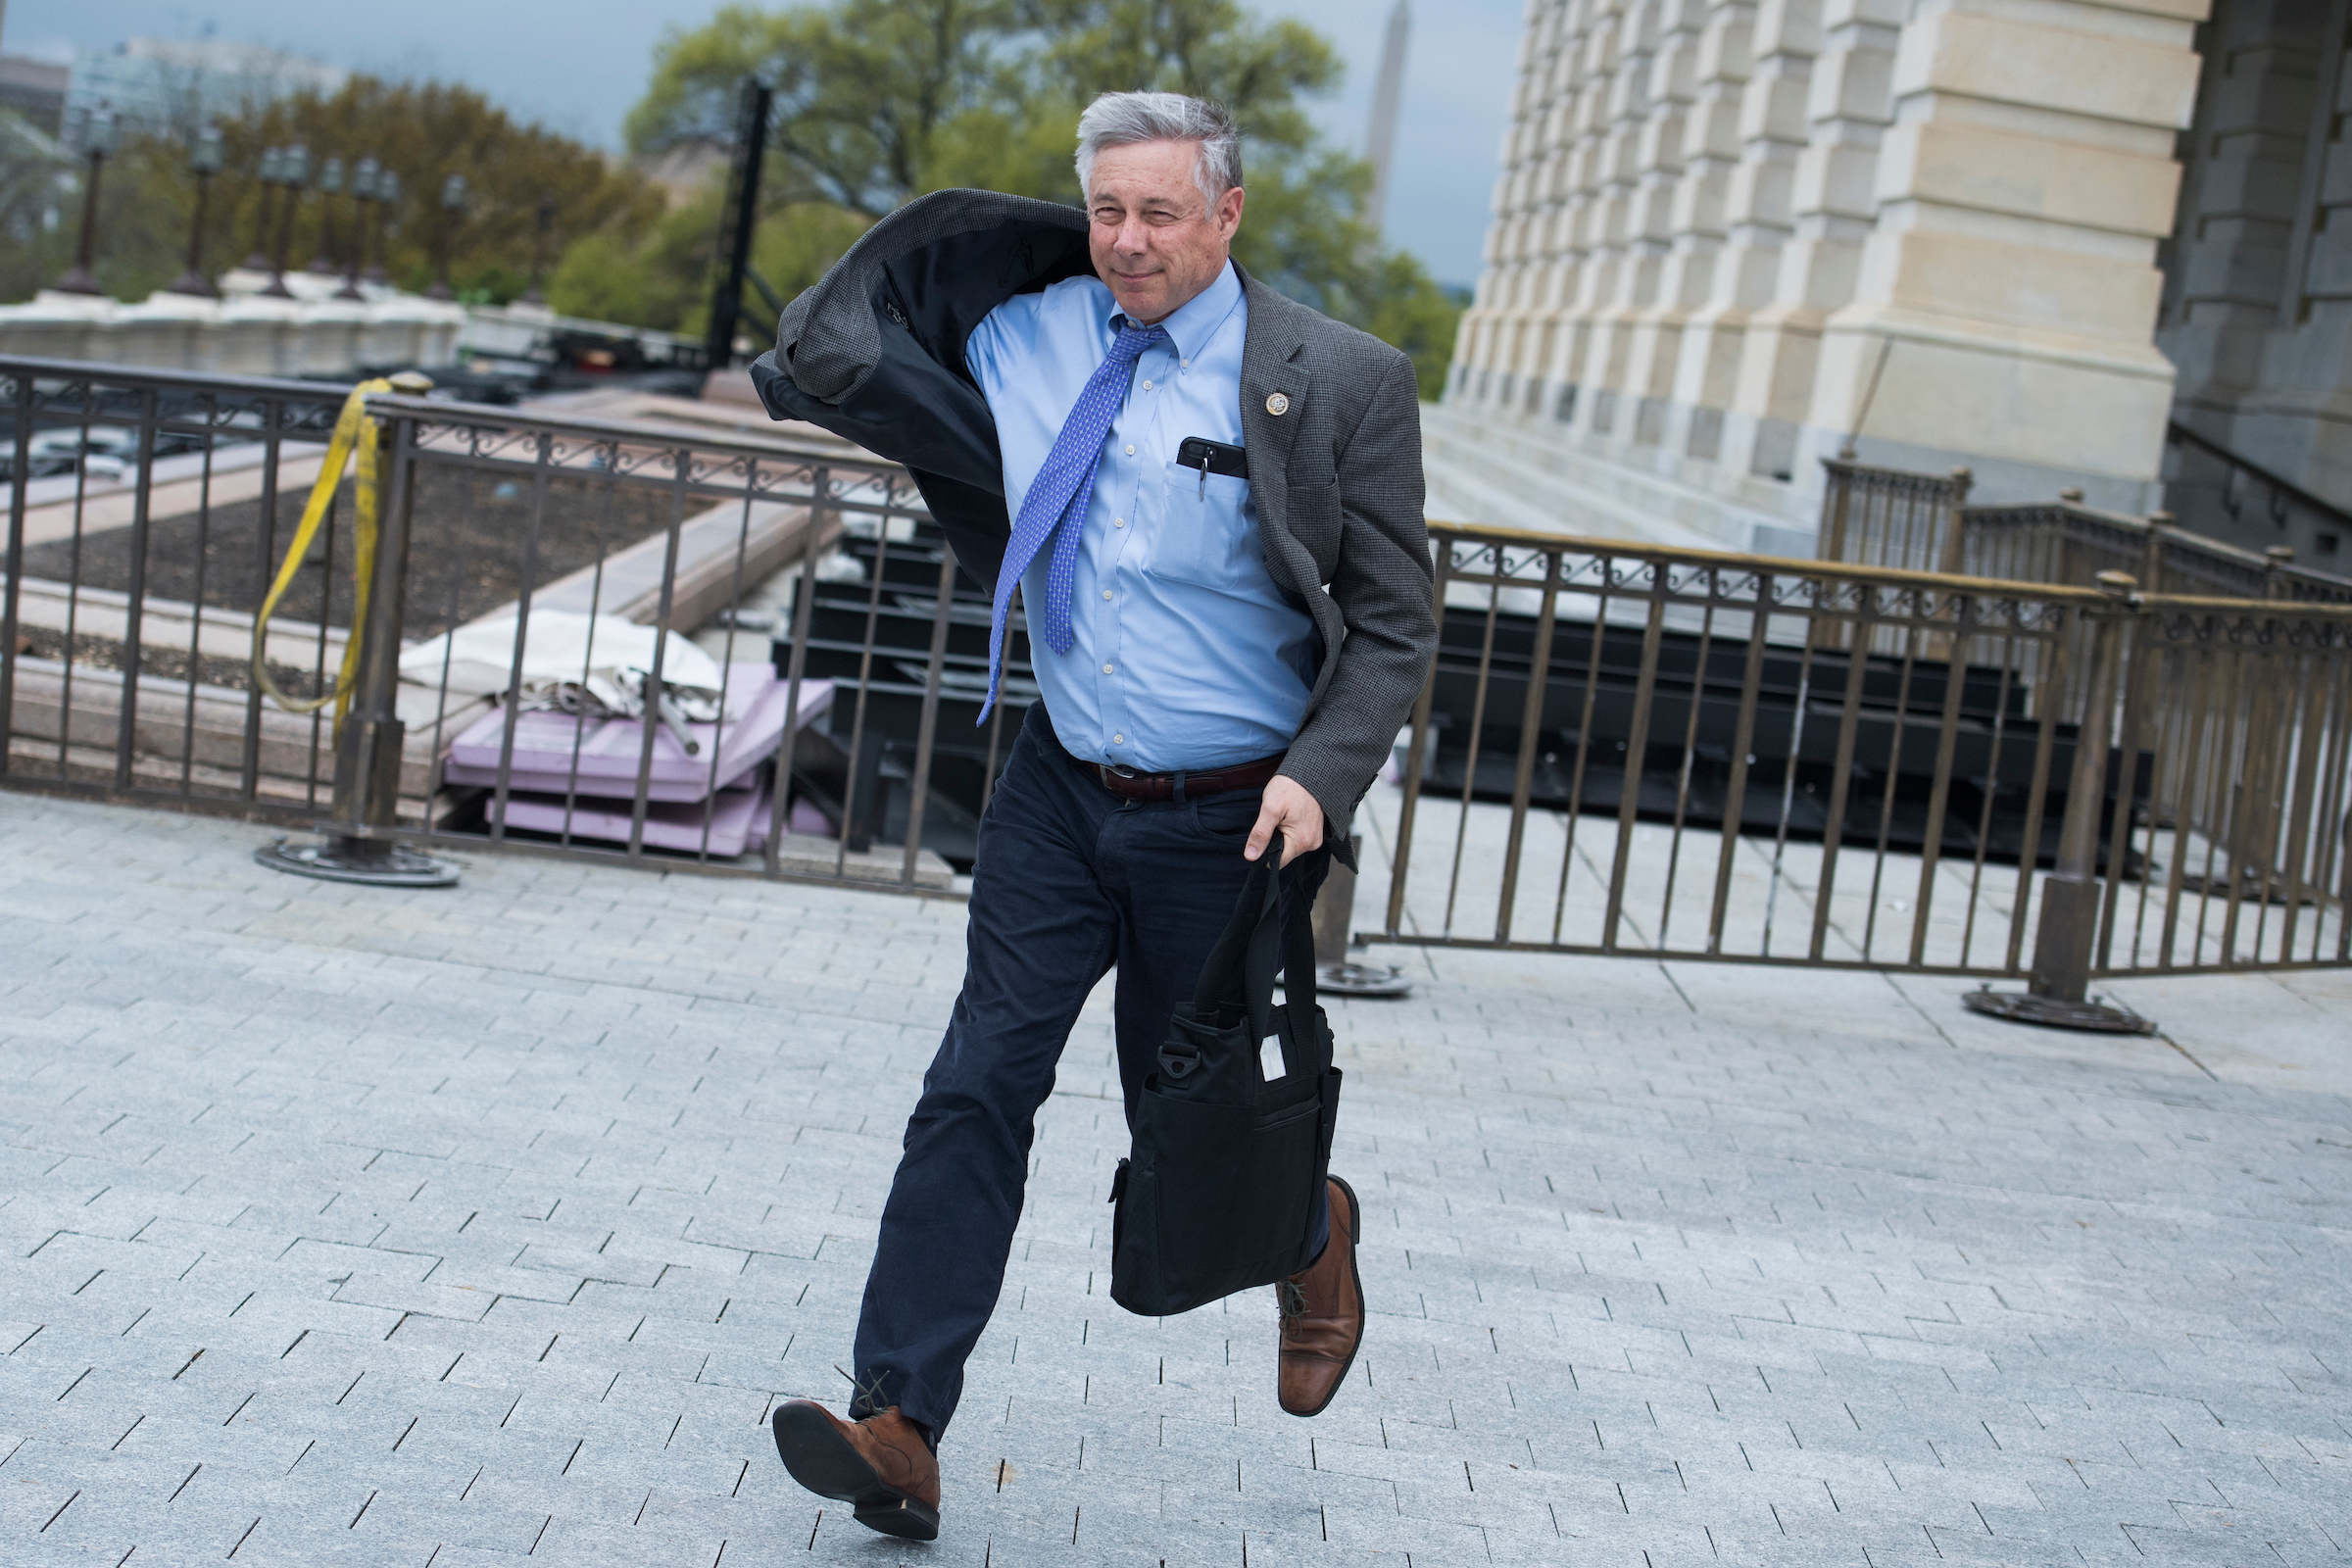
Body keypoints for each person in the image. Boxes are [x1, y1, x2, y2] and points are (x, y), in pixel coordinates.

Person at [746, 90, 1437, 1541]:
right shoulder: (1021, 330)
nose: (1129, 243)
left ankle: (1314, 1237)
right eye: (1107, 210)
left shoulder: (1340, 380)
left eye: (1162, 213)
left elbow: (1392, 625)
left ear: (1230, 214)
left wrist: (1322, 775)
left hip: (1232, 821)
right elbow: (841, 337)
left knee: (1188, 1144)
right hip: (1059, 790)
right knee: (976, 1082)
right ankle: (899, 1421)